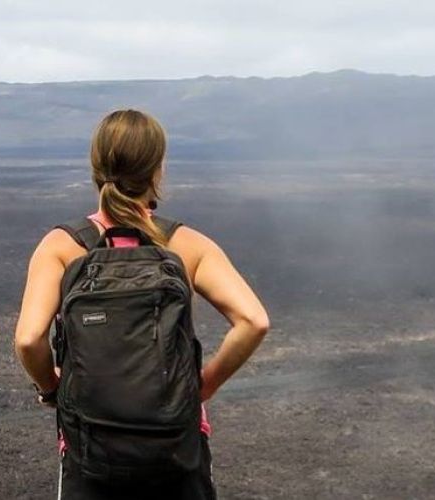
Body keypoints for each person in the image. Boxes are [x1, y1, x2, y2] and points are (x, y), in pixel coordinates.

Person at [13, 109, 270, 499]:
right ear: (158, 169)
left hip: (90, 451)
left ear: (96, 167)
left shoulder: (63, 246)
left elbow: (30, 339)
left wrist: (52, 389)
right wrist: (202, 387)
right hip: (176, 449)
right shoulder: (187, 245)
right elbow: (253, 321)